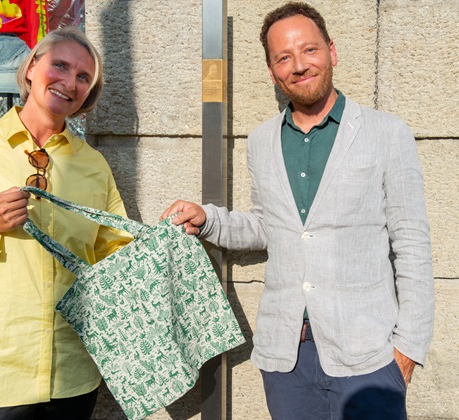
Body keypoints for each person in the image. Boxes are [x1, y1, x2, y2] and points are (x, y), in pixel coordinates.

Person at [161, 2, 434, 419]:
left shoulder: (387, 134)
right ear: (272, 71)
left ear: (331, 52)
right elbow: (270, 227)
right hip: (287, 358)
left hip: (369, 357)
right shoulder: (262, 141)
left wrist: (407, 351)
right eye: (283, 58)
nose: (299, 66)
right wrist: (209, 219)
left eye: (309, 50)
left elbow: (412, 245)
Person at [0, 27, 132, 419]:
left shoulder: (93, 166)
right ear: (31, 69)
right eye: (59, 65)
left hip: (72, 373)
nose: (69, 82)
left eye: (83, 77)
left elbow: (117, 255)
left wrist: (168, 236)